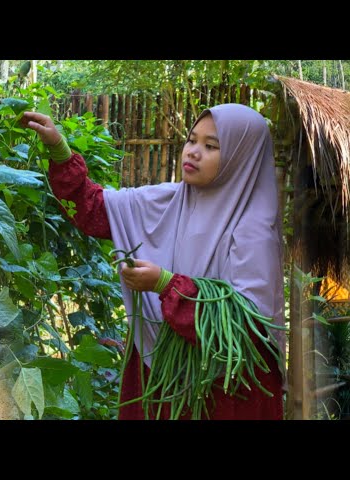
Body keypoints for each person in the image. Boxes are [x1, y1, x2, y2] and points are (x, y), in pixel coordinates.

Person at [21, 104, 286, 420]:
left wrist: (165, 284)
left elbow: (247, 326)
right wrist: (59, 148)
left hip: (225, 393)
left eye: (211, 146)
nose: (194, 152)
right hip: (160, 372)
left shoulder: (255, 231)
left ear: (242, 158)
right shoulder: (168, 200)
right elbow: (93, 210)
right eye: (191, 140)